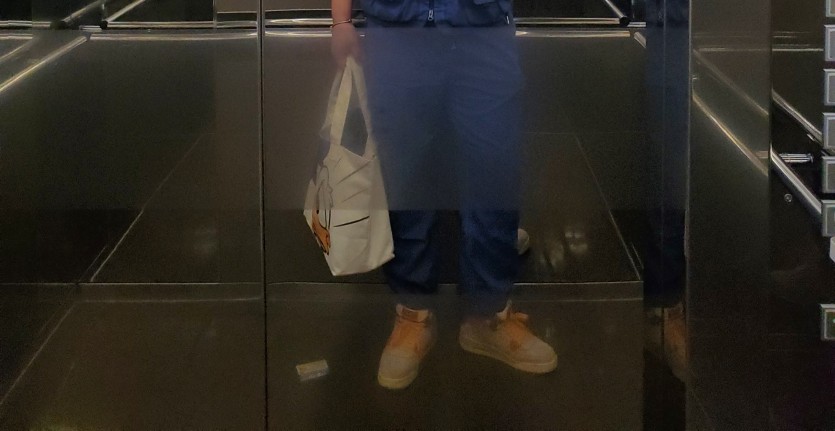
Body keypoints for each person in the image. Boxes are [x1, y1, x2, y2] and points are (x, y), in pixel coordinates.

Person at [330, 0, 557, 390]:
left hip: (482, 29)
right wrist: (341, 20)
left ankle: (488, 315)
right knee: (405, 174)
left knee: (494, 170)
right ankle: (412, 313)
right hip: (399, 31)